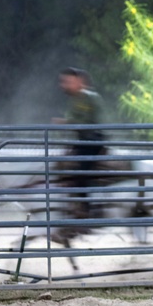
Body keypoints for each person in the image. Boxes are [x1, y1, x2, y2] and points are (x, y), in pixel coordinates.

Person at [54, 67, 107, 216]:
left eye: (67, 81)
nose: (63, 85)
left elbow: (87, 120)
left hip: (93, 140)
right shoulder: (74, 100)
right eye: (63, 82)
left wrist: (66, 122)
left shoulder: (90, 98)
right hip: (83, 140)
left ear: (78, 81)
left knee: (82, 169)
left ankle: (86, 208)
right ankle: (72, 205)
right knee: (64, 165)